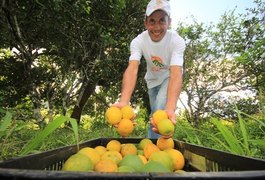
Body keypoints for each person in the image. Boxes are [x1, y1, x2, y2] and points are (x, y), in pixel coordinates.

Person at [113, 0, 186, 138]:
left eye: (162, 21)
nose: (157, 27)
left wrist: (170, 108)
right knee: (155, 113)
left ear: (169, 22)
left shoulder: (176, 41)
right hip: (152, 81)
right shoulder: (138, 41)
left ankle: (155, 148)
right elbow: (132, 68)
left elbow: (176, 72)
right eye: (152, 21)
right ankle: (155, 144)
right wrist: (124, 101)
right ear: (145, 22)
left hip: (168, 77)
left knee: (161, 107)